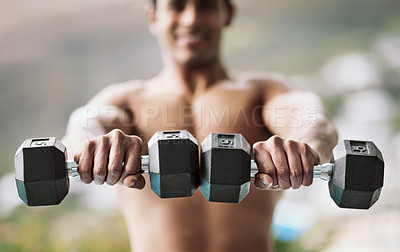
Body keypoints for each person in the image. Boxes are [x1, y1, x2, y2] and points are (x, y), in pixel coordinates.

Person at [61, 0, 338, 251]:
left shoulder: (264, 91)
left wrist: (306, 147)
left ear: (226, 13)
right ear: (153, 17)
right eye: (177, 6)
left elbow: (310, 118)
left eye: (205, 6)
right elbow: (85, 122)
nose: (191, 19)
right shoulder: (125, 100)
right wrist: (92, 145)